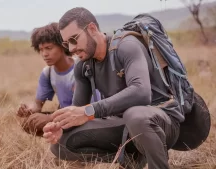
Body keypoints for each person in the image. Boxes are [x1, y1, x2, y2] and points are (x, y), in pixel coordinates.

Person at [42, 7, 182, 169]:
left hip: (163, 122)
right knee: (62, 143)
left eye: (74, 39)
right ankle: (132, 159)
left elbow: (141, 93)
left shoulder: (126, 46)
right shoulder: (83, 66)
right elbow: (78, 112)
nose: (71, 49)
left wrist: (88, 112)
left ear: (92, 29)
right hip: (125, 125)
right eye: (67, 43)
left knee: (135, 115)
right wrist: (61, 126)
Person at [16, 22, 100, 136]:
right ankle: (62, 139)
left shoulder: (81, 67)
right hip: (65, 117)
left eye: (48, 48)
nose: (44, 54)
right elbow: (38, 105)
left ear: (63, 45)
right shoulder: (48, 73)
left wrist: (51, 118)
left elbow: (87, 108)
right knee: (30, 122)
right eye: (41, 49)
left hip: (88, 116)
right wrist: (28, 110)